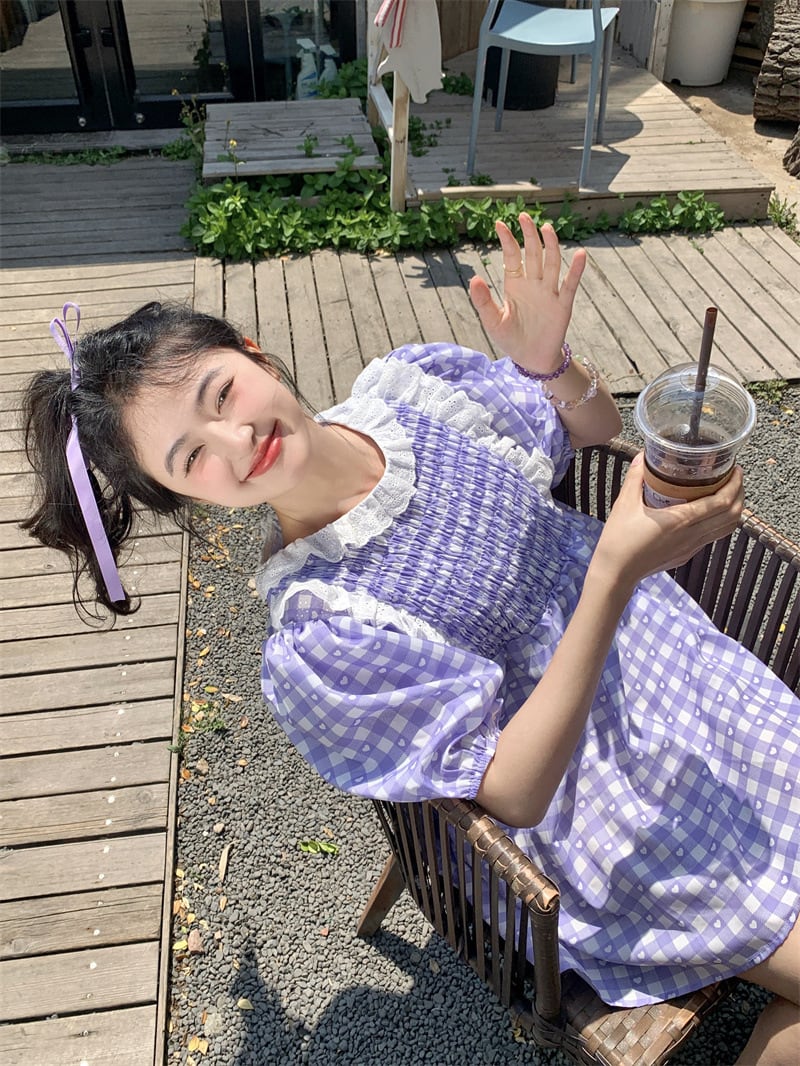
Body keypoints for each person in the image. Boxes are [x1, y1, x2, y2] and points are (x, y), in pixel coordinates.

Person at [23, 215, 799, 1064]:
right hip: (595, 805)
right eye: (190, 457)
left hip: (676, 668)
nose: (235, 440)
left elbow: (589, 426)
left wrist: (547, 363)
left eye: (221, 394)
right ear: (186, 496)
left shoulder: (411, 391)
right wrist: (612, 572)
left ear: (256, 354)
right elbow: (515, 795)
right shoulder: (322, 635)